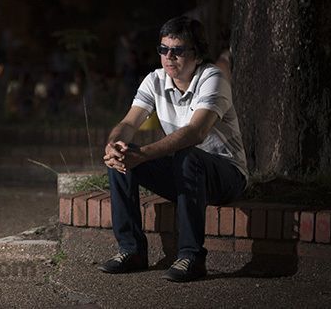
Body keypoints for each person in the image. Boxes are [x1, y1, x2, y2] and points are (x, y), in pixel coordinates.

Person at [99, 16, 247, 283]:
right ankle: (131, 250)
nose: (169, 57)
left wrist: (142, 155)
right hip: (185, 172)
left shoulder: (212, 78)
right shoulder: (155, 80)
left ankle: (191, 257)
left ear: (197, 54)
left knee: (186, 155)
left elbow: (195, 132)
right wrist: (114, 145)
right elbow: (129, 122)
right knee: (122, 155)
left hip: (225, 175)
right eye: (163, 49)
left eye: (177, 50)